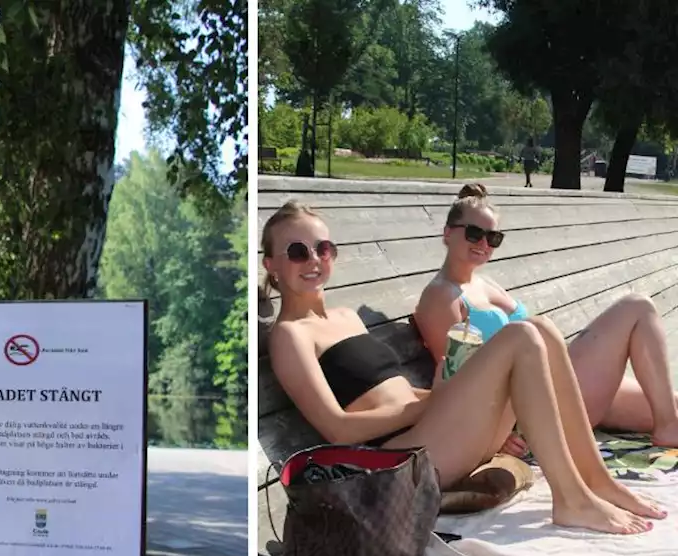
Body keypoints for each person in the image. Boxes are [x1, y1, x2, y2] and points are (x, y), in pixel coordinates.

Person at [262, 200, 665, 535]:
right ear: (272, 265)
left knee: (540, 329)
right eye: (298, 251)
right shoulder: (290, 336)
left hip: (437, 429)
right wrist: (434, 401)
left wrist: (444, 389)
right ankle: (572, 499)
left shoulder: (347, 316)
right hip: (401, 460)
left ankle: (597, 481)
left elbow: (393, 392)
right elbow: (337, 428)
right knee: (521, 336)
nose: (314, 259)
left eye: (324, 248)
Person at [413, 184, 678, 453]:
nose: (483, 244)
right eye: (474, 233)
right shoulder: (441, 297)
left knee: (671, 403)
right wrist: (494, 435)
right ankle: (668, 428)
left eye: (492, 237)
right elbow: (456, 380)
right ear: (447, 233)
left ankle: (669, 423)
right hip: (533, 406)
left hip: (557, 381)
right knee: (636, 308)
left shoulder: (486, 284)